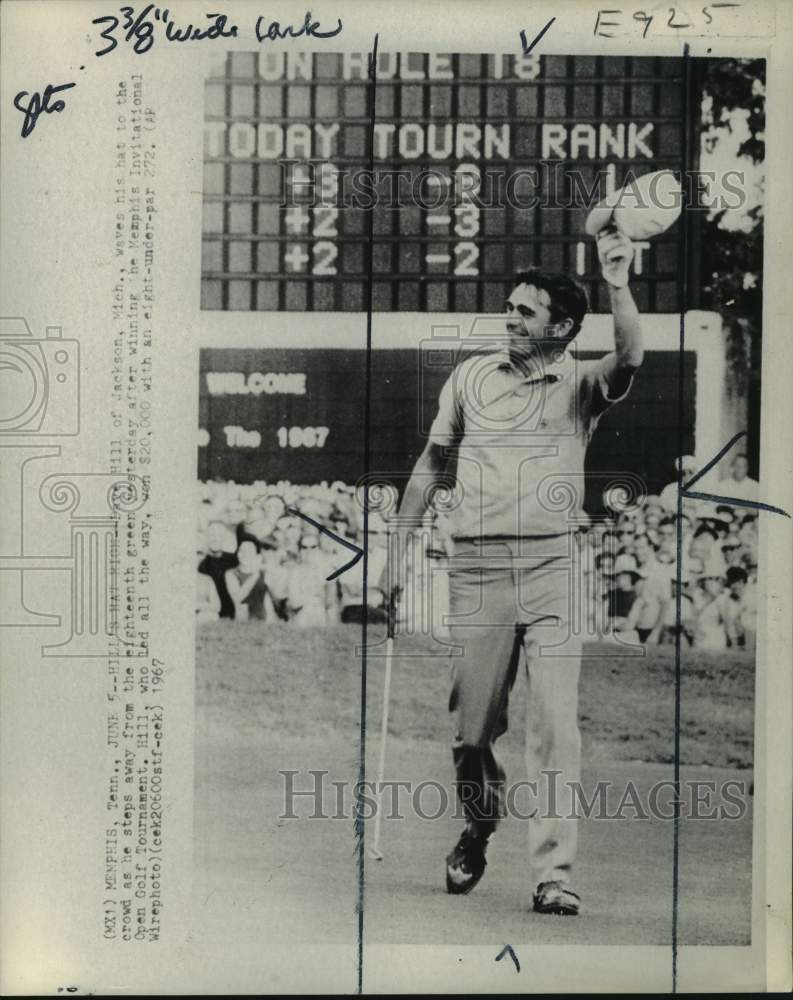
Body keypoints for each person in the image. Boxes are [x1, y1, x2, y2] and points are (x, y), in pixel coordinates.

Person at [383, 226, 642, 916]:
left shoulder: (582, 382)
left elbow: (630, 353)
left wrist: (616, 279)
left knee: (555, 724)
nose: (509, 317)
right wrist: (394, 553)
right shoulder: (470, 375)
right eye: (509, 306)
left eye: (525, 311)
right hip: (475, 568)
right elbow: (431, 465)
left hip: (553, 565)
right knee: (471, 734)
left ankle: (552, 874)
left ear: (561, 328)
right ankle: (478, 822)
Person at [198, 520, 239, 619]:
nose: (215, 539)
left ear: (225, 537)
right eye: (212, 535)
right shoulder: (200, 563)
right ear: (206, 537)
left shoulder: (235, 560)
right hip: (211, 614)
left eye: (219, 535)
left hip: (234, 614)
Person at [225, 538, 268, 621]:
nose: (245, 554)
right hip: (243, 620)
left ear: (256, 555)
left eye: (249, 551)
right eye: (241, 551)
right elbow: (238, 598)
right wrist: (256, 574)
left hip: (263, 619)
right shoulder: (231, 573)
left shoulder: (264, 572)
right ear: (237, 554)